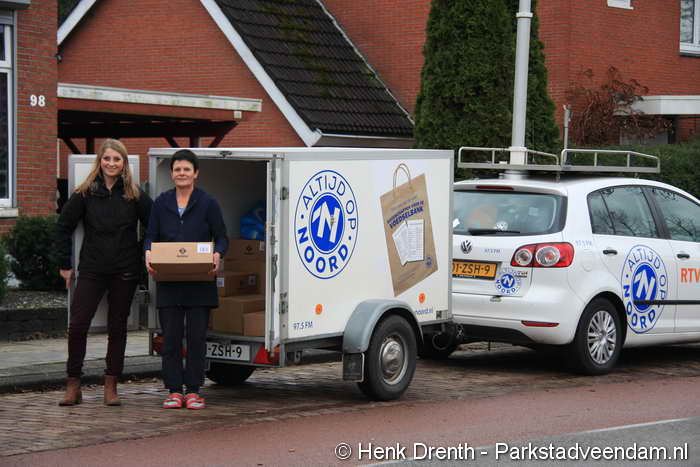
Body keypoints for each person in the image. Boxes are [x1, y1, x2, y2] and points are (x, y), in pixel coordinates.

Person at [56, 139, 152, 406]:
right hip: (92, 268)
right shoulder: (85, 192)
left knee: (117, 328)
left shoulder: (134, 194)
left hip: (125, 270)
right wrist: (65, 264)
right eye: (107, 158)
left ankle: (111, 384)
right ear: (100, 161)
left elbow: (154, 226)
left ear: (124, 163)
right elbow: (63, 226)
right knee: (77, 325)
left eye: (116, 159)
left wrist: (144, 252)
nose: (111, 163)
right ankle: (73, 384)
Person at [144, 149, 228, 410]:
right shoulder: (161, 203)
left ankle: (193, 391)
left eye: (186, 169)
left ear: (195, 173)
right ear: (171, 174)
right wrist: (148, 253)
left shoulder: (208, 203)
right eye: (177, 169)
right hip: (169, 282)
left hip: (200, 283)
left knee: (196, 339)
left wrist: (217, 254)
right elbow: (150, 236)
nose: (182, 173)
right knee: (170, 340)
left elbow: (222, 237)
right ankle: (173, 390)